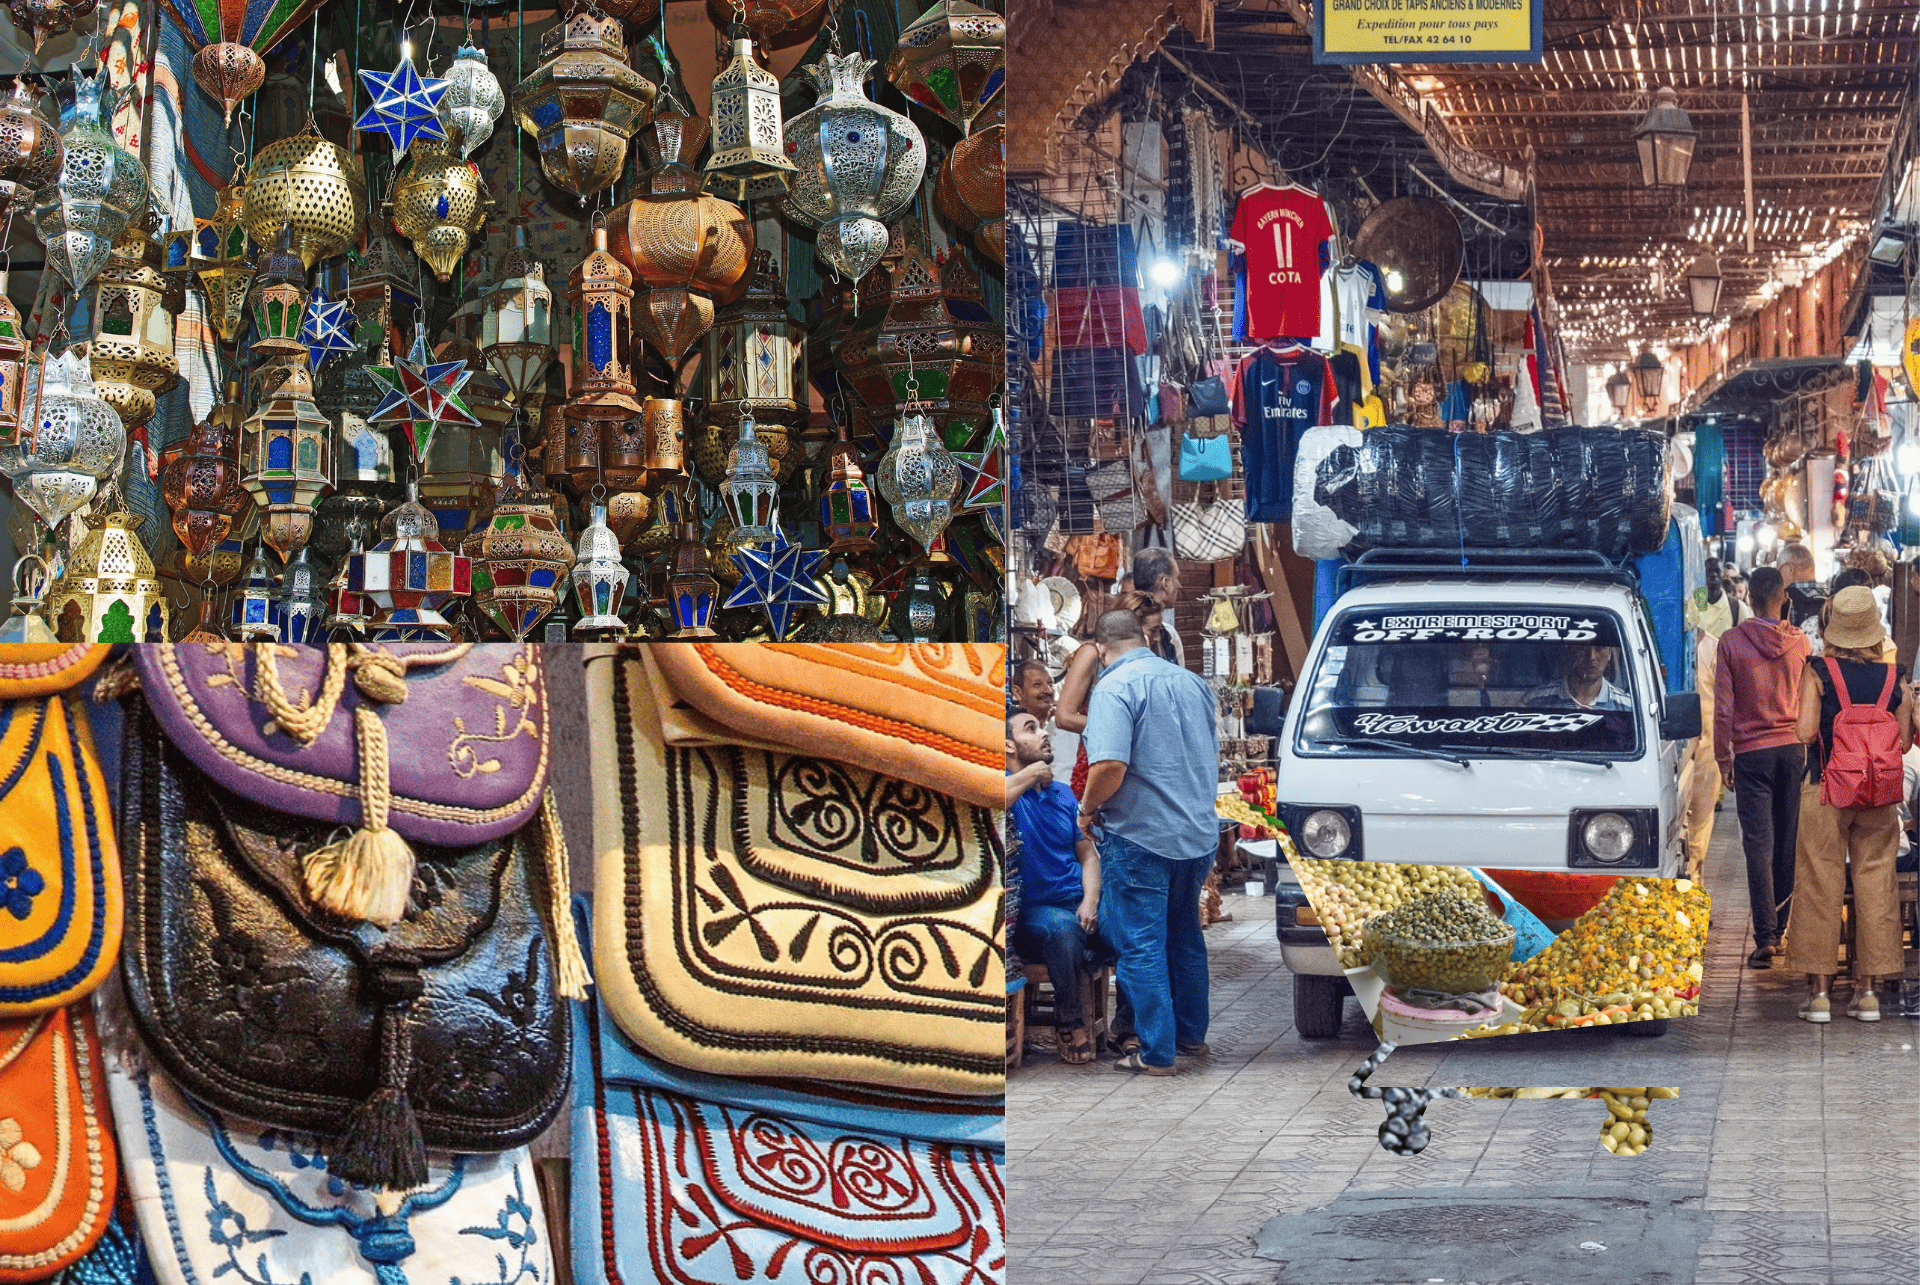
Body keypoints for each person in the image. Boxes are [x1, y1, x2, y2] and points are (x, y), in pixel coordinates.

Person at [1078, 609, 1219, 1076]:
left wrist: (1087, 807)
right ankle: (1191, 1038)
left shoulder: (1114, 688)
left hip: (1141, 838)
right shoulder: (1191, 682)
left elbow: (1110, 767)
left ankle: (1157, 1053)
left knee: (1141, 945)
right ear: (1143, 638)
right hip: (1197, 836)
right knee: (1184, 938)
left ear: (1101, 650)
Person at [1788, 587, 1913, 1022]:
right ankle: (1869, 993)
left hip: (1826, 787)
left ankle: (1820, 994)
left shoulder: (1818, 669)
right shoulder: (1894, 675)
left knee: (1819, 881)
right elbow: (1904, 740)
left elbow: (1805, 732)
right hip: (1878, 793)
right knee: (1877, 884)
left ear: (1833, 629)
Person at [1715, 566, 1813, 968]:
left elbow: (1723, 709)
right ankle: (1782, 928)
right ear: (1783, 597)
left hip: (1752, 755)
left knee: (1758, 846)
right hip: (1793, 750)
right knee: (1788, 840)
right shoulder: (1801, 644)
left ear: (1749, 599)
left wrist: (1724, 757)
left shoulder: (1731, 642)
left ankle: (1765, 937)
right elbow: (1810, 702)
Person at [1006, 710, 1106, 1063]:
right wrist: (1031, 772)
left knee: (1131, 924)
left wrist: (1091, 900)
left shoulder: (1063, 794)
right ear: (1008, 745)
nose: (1044, 733)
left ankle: (1132, 1029)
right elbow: (989, 797)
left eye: (1042, 726)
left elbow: (1088, 857)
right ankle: (1070, 1025)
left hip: (1076, 902)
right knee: (1063, 931)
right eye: (1030, 729)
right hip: (1031, 914)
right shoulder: (1006, 787)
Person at [1057, 592, 1171, 798]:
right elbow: (1064, 717)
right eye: (1153, 630)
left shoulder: (1150, 657)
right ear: (1131, 627)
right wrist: (1118, 728)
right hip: (1100, 762)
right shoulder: (1092, 654)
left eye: (1159, 631)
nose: (1156, 638)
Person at [1522, 645, 1633, 711]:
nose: (1591, 657)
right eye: (1583, 648)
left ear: (1609, 653)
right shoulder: (1533, 702)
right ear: (1571, 650)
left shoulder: (1628, 706)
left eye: (1600, 648)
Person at [1129, 547, 1186, 666]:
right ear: (1165, 583)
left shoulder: (1169, 634)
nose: (1179, 585)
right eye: (1176, 578)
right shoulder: (1168, 635)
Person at [1011, 659, 1057, 725]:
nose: (1048, 691)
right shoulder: (1008, 729)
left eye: (1050, 684)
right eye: (1037, 685)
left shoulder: (1064, 726)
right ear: (1017, 692)